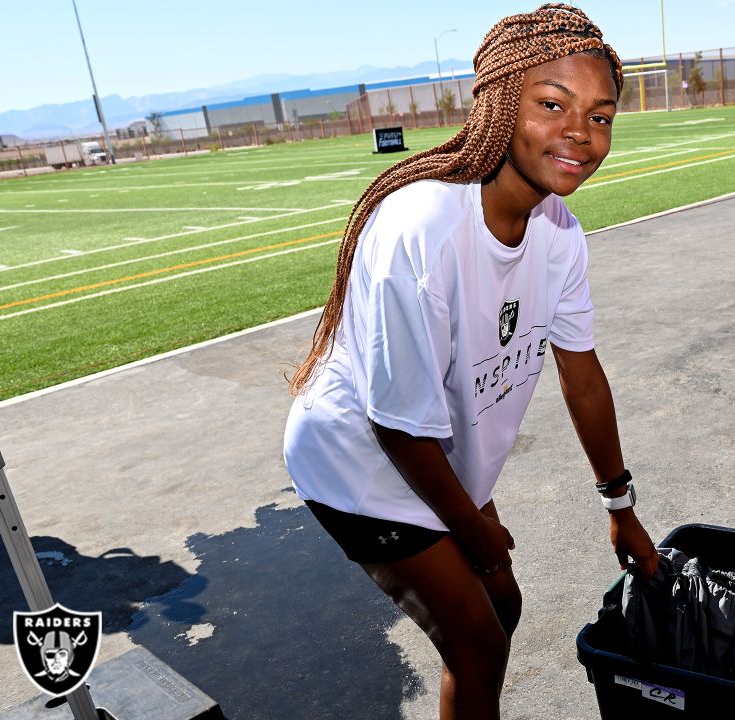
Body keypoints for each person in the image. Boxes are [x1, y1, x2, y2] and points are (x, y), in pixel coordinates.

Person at [282, 5, 659, 718]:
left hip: (431, 446)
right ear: (498, 103)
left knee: (500, 608)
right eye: (553, 105)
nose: (581, 133)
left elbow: (582, 375)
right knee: (479, 639)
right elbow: (395, 426)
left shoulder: (560, 234)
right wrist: (476, 526)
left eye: (602, 115)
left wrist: (621, 507)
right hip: (358, 460)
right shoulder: (421, 228)